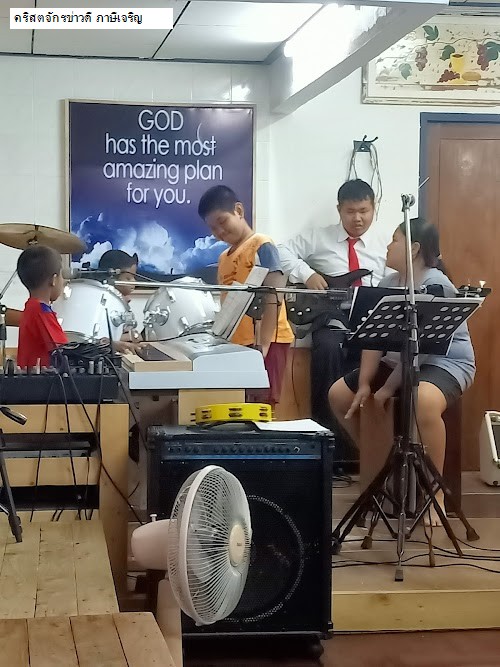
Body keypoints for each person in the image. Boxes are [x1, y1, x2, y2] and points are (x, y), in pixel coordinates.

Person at [328, 217, 475, 526]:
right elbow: (374, 340)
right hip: (399, 361)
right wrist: (365, 382)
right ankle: (385, 468)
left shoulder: (436, 284)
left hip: (444, 362)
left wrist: (386, 388)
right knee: (340, 394)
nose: (388, 246)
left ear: (414, 248)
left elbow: (422, 349)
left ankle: (434, 494)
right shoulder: (388, 283)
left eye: (394, 240)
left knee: (422, 402)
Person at [277, 179, 390, 429]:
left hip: (370, 318)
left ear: (374, 208)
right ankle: (325, 430)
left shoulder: (386, 244)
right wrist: (307, 274)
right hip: (331, 316)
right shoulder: (319, 237)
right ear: (339, 210)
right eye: (350, 211)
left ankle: (367, 432)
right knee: (327, 348)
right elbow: (279, 251)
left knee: (382, 354)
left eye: (364, 211)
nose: (357, 218)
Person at [198, 185, 294, 407]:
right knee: (239, 405)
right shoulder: (223, 257)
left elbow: (274, 294)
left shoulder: (262, 244)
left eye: (222, 222)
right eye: (213, 228)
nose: (219, 232)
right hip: (237, 344)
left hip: (267, 341)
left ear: (239, 211)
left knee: (262, 406)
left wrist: (264, 345)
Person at [16, 245, 68, 368]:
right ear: (53, 280)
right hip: (43, 379)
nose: (63, 281)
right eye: (61, 276)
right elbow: (64, 352)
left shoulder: (32, 307)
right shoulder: (41, 311)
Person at [98, 249, 145, 354]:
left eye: (134, 277)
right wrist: (129, 337)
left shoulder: (124, 301)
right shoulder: (103, 303)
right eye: (128, 278)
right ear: (111, 277)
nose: (134, 282)